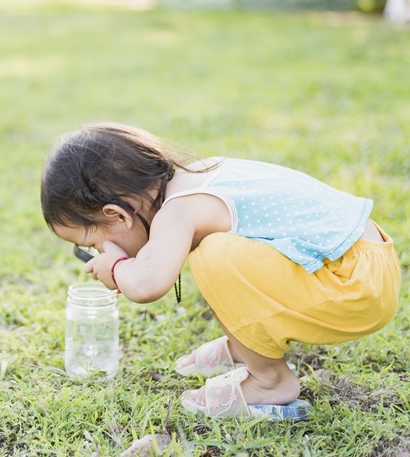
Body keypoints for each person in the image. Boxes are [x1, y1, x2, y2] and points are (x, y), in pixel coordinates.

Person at [40, 123, 400, 420]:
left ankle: (270, 380)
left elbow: (147, 284)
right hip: (366, 262)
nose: (97, 253)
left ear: (116, 215)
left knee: (215, 254)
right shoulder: (200, 175)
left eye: (92, 244)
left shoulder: (179, 211)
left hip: (352, 284)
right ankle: (245, 345)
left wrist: (116, 267)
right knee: (212, 250)